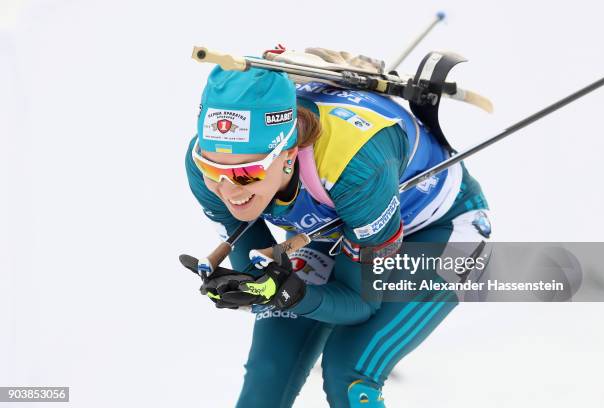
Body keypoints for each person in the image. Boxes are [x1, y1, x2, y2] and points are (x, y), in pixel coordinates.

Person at [185, 64, 491, 407]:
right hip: (333, 227)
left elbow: (359, 303)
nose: (227, 189)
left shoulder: (355, 168)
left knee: (349, 373)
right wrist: (248, 288)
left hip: (440, 228)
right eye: (212, 169)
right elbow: (260, 278)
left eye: (246, 174)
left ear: (287, 156)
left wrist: (294, 296)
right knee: (268, 373)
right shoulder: (204, 166)